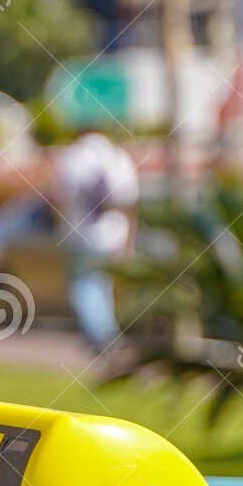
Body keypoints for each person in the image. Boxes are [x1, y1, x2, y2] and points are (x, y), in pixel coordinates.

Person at [50, 131, 140, 352]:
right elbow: (129, 204)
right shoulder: (118, 159)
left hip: (81, 236)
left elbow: (60, 199)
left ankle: (104, 336)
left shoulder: (72, 159)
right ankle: (104, 334)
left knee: (85, 286)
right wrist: (129, 242)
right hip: (112, 237)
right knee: (100, 285)